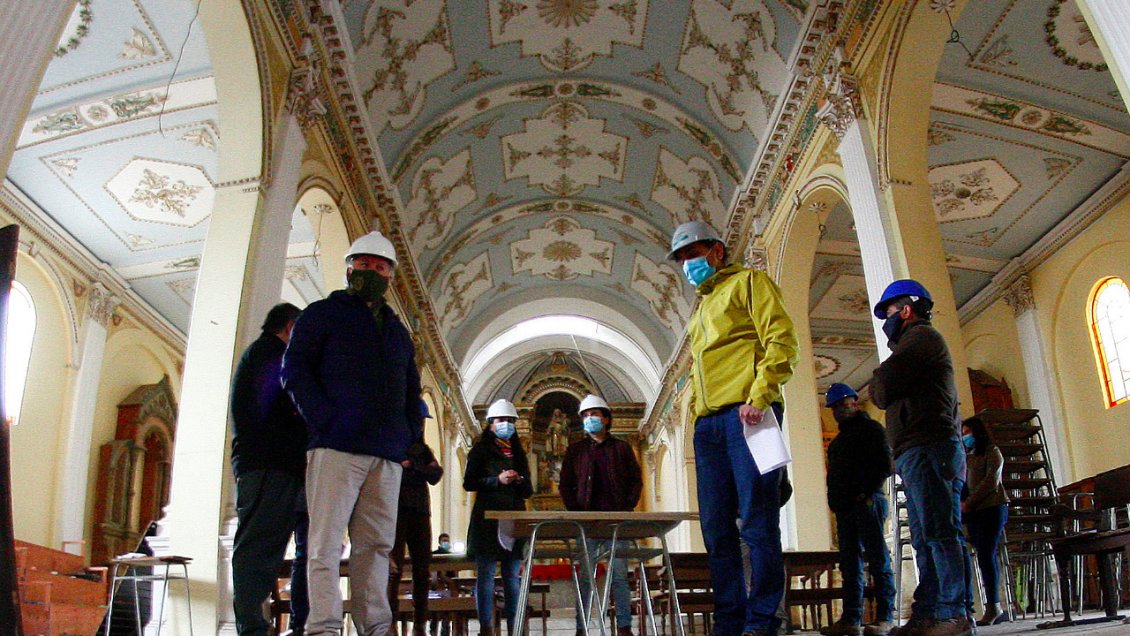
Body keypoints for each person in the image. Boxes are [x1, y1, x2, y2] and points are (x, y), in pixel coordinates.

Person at [282, 231, 423, 636]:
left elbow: (411, 387)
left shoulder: (397, 331)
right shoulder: (322, 314)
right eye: (364, 265)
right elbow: (295, 369)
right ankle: (323, 627)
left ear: (391, 276)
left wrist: (408, 432)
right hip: (336, 446)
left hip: (387, 453)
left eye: (380, 267)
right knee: (325, 545)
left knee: (377, 547)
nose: (372, 272)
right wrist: (323, 418)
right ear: (349, 269)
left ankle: (375, 626)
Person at [668, 221, 799, 636]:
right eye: (682, 258)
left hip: (749, 418)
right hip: (708, 427)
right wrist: (695, 412)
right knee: (716, 529)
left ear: (718, 251)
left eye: (694, 253)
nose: (689, 263)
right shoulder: (701, 309)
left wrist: (759, 397)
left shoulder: (749, 282)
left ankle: (763, 620)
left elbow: (781, 339)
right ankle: (730, 620)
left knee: (758, 524)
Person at [870, 279, 971, 636]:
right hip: (918, 450)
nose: (887, 321)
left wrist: (880, 376)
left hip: (929, 447)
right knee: (926, 534)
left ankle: (954, 614)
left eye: (890, 312)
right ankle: (928, 613)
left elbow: (881, 390)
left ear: (907, 310)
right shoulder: (914, 344)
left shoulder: (921, 339)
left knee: (940, 532)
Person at [230, 303, 308, 636]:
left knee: (265, 549)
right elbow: (274, 411)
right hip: (266, 464)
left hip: (274, 465)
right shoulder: (270, 355)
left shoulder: (270, 355)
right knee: (257, 550)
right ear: (290, 327)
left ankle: (254, 626)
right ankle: (251, 629)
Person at [558, 394, 643, 636]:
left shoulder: (622, 448)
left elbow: (635, 481)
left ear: (606, 419)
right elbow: (566, 485)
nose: (589, 419)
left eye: (594, 414)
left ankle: (624, 627)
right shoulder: (575, 451)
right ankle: (581, 627)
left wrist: (627, 507)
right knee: (586, 579)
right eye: (585, 416)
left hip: (616, 521)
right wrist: (576, 512)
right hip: (586, 524)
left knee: (619, 577)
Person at [819, 383, 896, 636]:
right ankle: (851, 619)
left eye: (843, 403)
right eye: (834, 407)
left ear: (855, 401)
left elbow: (885, 464)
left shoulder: (872, 430)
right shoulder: (839, 442)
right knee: (849, 564)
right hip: (845, 508)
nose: (839, 410)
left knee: (877, 558)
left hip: (868, 502)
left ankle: (886, 616)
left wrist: (865, 493)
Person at [463, 399, 533, 636]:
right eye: (502, 420)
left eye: (510, 421)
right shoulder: (481, 450)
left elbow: (529, 491)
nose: (507, 424)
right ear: (491, 424)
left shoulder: (519, 453)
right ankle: (487, 628)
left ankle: (516, 627)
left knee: (512, 577)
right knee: (486, 576)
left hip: (513, 517)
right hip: (487, 519)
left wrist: (520, 480)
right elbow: (469, 483)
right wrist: (497, 480)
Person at [387, 401, 444, 636]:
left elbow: (436, 473)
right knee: (394, 568)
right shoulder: (391, 444)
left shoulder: (423, 449)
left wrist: (414, 467)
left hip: (420, 510)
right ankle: (389, 620)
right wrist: (416, 468)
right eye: (418, 420)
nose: (421, 425)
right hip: (396, 510)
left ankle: (420, 620)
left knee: (422, 568)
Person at [960, 416, 1010, 626]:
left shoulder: (992, 451)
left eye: (967, 432)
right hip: (973, 511)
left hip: (992, 507)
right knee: (980, 555)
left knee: (987, 554)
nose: (965, 437)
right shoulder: (966, 456)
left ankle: (994, 606)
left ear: (977, 432)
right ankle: (982, 608)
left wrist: (970, 501)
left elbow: (991, 480)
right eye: (962, 433)